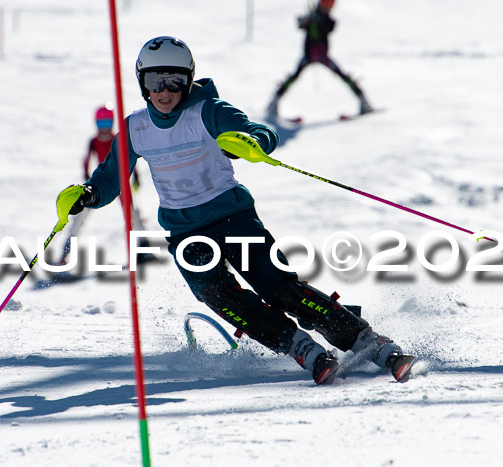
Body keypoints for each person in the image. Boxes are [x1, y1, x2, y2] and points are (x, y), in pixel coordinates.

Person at [57, 36, 414, 384]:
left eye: (175, 80)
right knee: (220, 296)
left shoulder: (208, 111)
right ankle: (301, 348)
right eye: (154, 80)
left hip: (234, 217)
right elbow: (109, 180)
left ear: (189, 79)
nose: (165, 90)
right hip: (185, 233)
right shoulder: (136, 127)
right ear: (141, 82)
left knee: (279, 289)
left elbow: (257, 132)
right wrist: (88, 194)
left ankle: (371, 344)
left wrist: (252, 143)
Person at [56, 105, 149, 266]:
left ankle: (143, 245)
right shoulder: (94, 142)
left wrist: (136, 176)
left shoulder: (117, 139)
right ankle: (67, 248)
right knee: (81, 214)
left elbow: (129, 158)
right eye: (100, 124)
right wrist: (86, 177)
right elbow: (86, 160)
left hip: (120, 182)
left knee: (132, 213)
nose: (104, 129)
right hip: (99, 185)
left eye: (107, 123)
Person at [267, 0, 373, 117]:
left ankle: (363, 101)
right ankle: (274, 102)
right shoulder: (312, 17)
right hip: (309, 56)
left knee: (343, 75)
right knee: (293, 78)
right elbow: (301, 24)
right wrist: (309, 19)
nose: (328, 8)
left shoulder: (328, 20)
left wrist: (318, 20)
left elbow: (329, 27)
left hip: (323, 57)